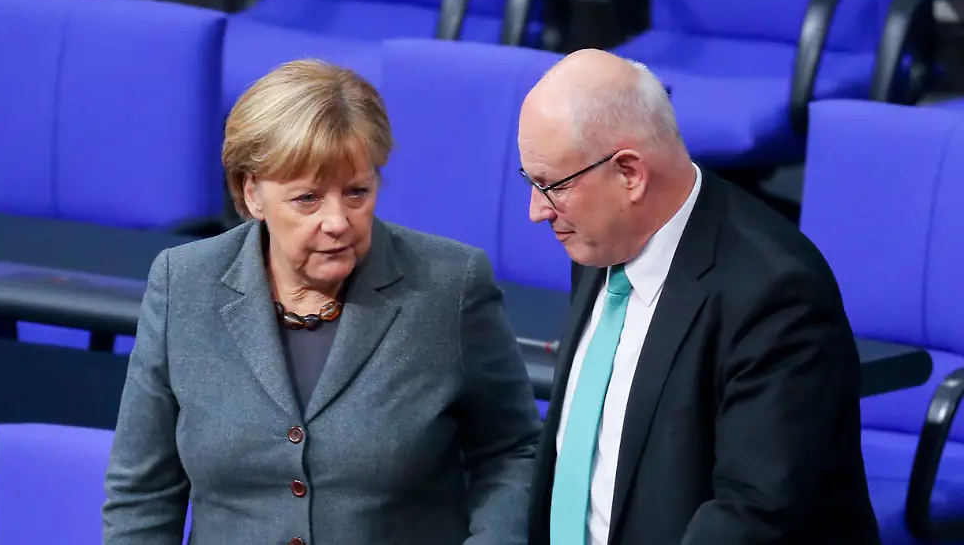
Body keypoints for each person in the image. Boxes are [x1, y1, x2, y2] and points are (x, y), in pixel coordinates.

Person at [102, 59, 541, 544]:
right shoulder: (184, 283)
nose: (337, 221)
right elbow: (142, 494)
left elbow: (512, 451)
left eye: (357, 192)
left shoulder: (448, 287)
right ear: (252, 193)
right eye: (307, 198)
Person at [520, 49, 880, 544]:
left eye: (550, 186)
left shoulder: (777, 296)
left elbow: (753, 516)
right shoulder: (600, 239)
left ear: (629, 174)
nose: (537, 210)